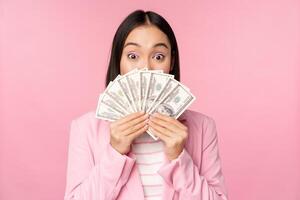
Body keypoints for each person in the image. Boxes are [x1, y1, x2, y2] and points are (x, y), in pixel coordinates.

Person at [64, 10, 228, 200]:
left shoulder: (203, 128)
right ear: (119, 60)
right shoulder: (85, 129)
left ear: (171, 62)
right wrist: (115, 153)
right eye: (133, 56)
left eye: (158, 56)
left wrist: (179, 158)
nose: (146, 68)